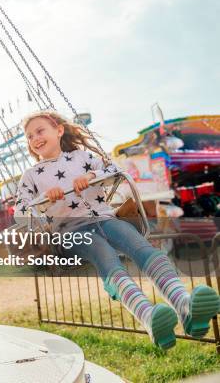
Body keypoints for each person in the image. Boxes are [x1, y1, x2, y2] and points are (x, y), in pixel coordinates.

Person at [14, 110, 220, 349]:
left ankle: (184, 305)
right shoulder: (30, 176)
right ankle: (148, 317)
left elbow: (114, 172)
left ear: (59, 130)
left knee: (143, 249)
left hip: (105, 218)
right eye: (29, 136)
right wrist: (44, 200)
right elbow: (21, 212)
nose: (35, 138)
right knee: (105, 255)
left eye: (40, 131)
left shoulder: (82, 157)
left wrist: (92, 175)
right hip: (71, 232)